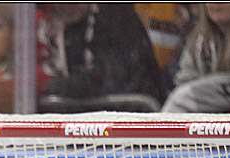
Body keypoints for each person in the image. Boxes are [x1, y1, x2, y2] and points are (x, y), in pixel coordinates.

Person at [37, 3, 166, 109]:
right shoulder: (64, 24)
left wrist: (51, 86)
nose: (62, 5)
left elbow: (106, 78)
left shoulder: (116, 18)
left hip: (129, 122)